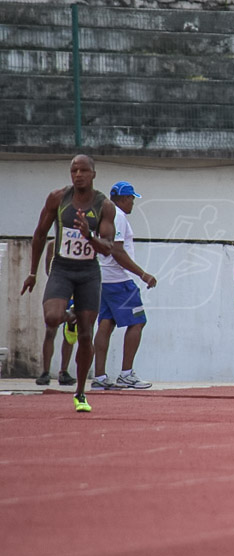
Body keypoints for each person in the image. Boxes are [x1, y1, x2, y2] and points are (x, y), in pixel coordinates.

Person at [21, 155, 115, 412]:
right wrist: (33, 272)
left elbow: (108, 248)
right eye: (74, 170)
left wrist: (89, 235)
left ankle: (81, 392)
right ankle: (69, 316)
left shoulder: (104, 205)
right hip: (62, 267)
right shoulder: (58, 198)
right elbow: (40, 233)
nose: (78, 175)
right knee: (52, 317)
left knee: (86, 335)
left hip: (88, 272)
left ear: (93, 174)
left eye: (84, 170)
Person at [91, 181, 158, 391]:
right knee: (138, 322)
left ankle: (100, 377)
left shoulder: (105, 215)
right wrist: (143, 274)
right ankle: (126, 374)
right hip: (119, 280)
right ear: (122, 199)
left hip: (103, 278)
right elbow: (117, 251)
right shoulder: (118, 216)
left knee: (106, 324)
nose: (133, 203)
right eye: (131, 198)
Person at [35, 241, 79, 386]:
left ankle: (64, 371)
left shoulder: (80, 242)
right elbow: (49, 270)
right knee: (50, 330)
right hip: (58, 290)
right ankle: (45, 371)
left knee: (71, 330)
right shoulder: (52, 245)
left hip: (74, 291)